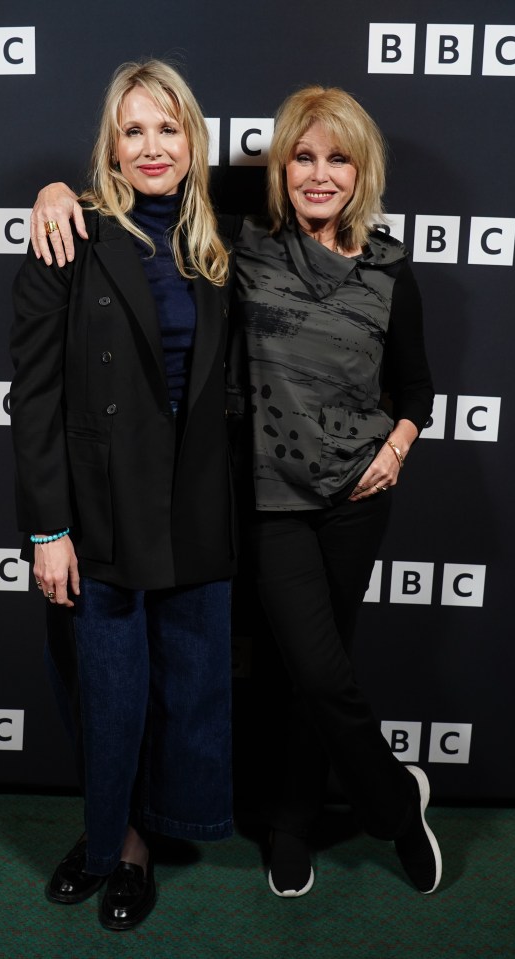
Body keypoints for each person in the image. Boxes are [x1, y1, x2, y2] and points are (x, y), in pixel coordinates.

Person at [30, 83, 441, 899]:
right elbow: (162, 179)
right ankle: (396, 801)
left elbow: (418, 386)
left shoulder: (379, 263)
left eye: (340, 159)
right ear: (280, 168)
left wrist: (398, 445)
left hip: (345, 498)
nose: (319, 174)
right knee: (302, 670)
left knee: (315, 669)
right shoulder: (243, 234)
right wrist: (56, 192)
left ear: (365, 171)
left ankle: (290, 820)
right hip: (258, 501)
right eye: (303, 158)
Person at [10, 60, 237, 932]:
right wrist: (46, 530)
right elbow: (32, 395)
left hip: (195, 502)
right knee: (109, 687)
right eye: (134, 129)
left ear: (193, 141)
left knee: (187, 685)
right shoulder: (70, 234)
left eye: (169, 128)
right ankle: (117, 844)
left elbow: (315, 168)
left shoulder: (223, 229)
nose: (152, 146)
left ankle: (158, 828)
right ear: (111, 140)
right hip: (99, 506)